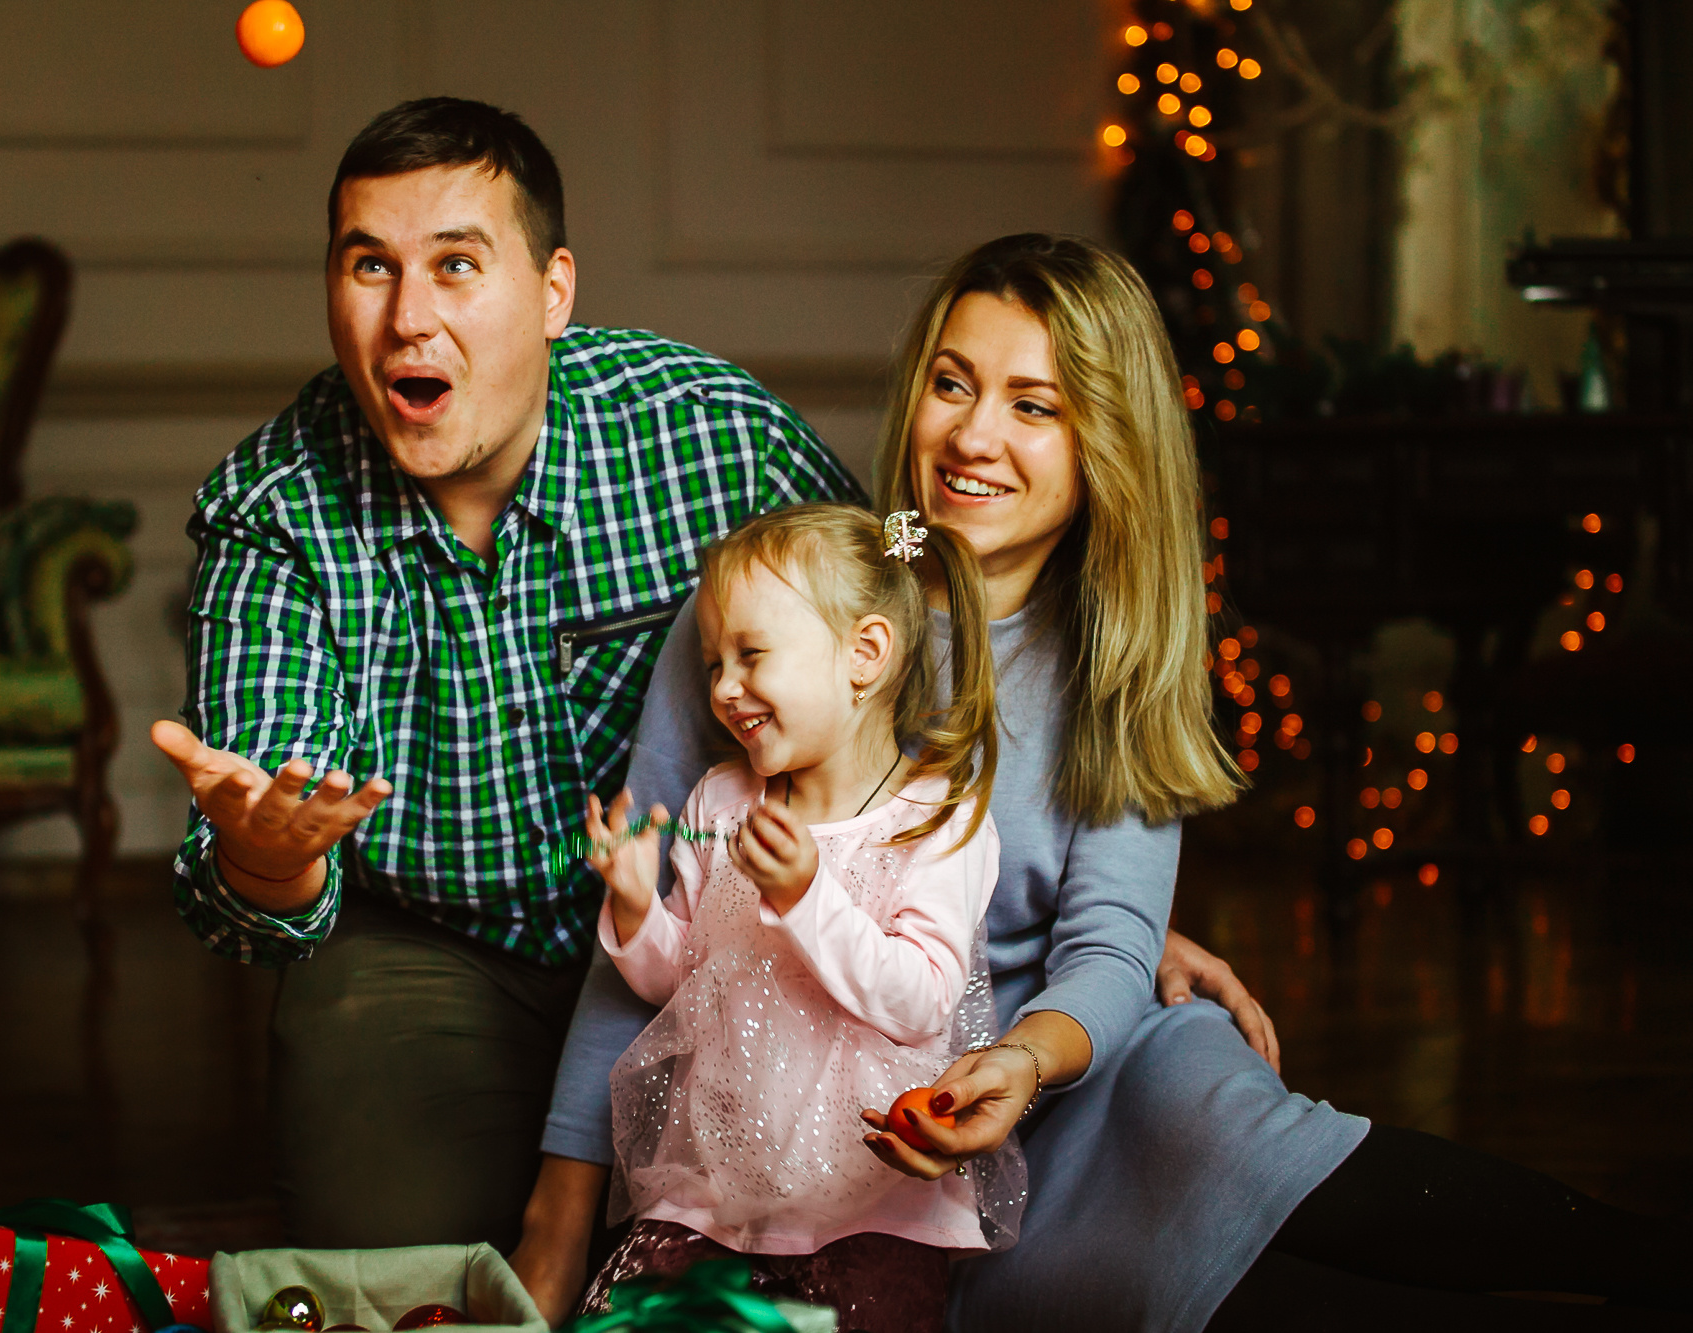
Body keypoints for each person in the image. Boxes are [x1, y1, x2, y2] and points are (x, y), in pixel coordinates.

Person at [520, 234, 1691, 1330]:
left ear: (1104, 445)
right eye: (952, 383)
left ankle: (1653, 1260)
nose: (975, 436)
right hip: (883, 1124)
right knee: (1227, 1293)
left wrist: (1029, 1057)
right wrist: (553, 1232)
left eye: (1035, 406)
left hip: (1067, 1059)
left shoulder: (1116, 649)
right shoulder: (763, 619)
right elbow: (648, 940)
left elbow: (1106, 949)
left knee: (1237, 1132)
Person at [147, 95, 864, 1249]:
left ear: (553, 293)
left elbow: (908, 664)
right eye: (368, 266)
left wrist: (1045, 882)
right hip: (428, 945)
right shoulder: (275, 516)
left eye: (457, 266)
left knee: (768, 1249)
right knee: (400, 1270)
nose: (405, 320)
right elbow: (258, 905)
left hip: (711, 921)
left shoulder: (707, 435)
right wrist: (266, 855)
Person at [572, 504, 1029, 1332]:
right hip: (714, 1189)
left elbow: (921, 999)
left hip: (873, 1204)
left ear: (865, 655)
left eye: (752, 655)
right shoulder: (721, 799)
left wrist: (808, 893)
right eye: (714, 662)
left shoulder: (935, 817)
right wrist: (637, 904)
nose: (723, 688)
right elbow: (681, 980)